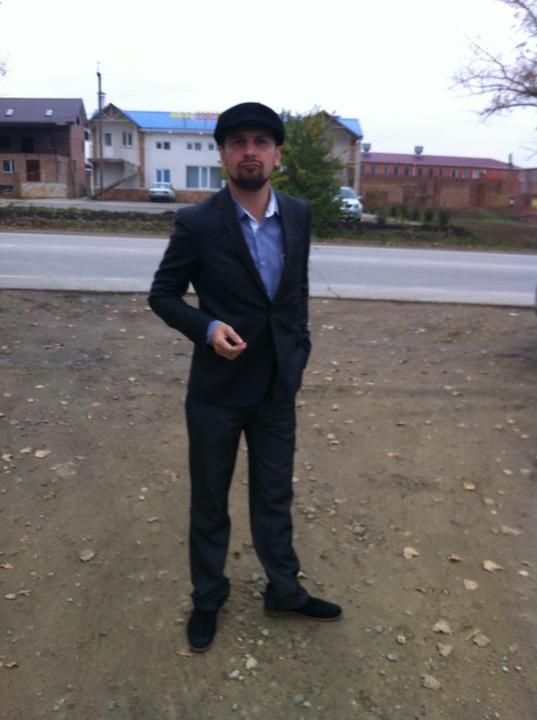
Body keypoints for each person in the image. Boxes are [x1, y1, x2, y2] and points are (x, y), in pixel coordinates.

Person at [148, 101, 342, 652]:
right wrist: (207, 327)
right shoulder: (197, 222)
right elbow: (163, 295)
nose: (249, 151)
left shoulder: (298, 215)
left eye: (261, 141)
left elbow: (296, 291)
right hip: (217, 391)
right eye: (238, 142)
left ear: (277, 154)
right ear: (223, 154)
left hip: (277, 387)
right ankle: (209, 596)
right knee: (210, 500)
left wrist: (299, 350)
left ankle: (284, 590)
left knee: (274, 495)